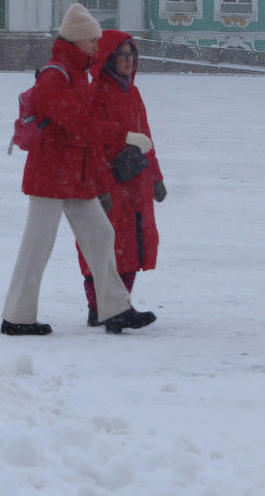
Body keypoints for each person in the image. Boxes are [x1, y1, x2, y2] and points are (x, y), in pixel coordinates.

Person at [1, 4, 157, 336]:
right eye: (91, 41)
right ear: (77, 41)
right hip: (49, 175)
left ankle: (114, 309)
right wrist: (124, 135)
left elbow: (82, 129)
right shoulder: (54, 75)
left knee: (102, 235)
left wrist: (97, 178)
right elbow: (80, 123)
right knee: (37, 246)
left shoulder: (77, 74)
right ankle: (16, 317)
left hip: (74, 175)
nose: (96, 47)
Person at [77, 31, 166, 326]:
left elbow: (146, 137)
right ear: (110, 59)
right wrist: (103, 183)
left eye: (132, 56)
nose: (129, 61)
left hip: (136, 182)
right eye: (123, 55)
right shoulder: (96, 92)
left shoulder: (133, 93)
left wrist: (155, 177)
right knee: (102, 246)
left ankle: (115, 306)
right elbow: (93, 141)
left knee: (133, 246)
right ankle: (102, 307)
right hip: (110, 183)